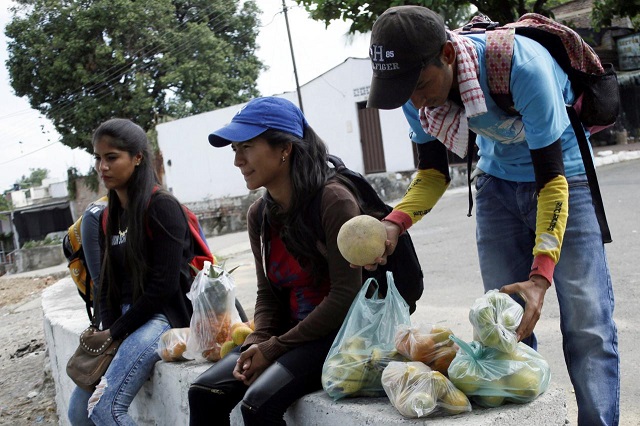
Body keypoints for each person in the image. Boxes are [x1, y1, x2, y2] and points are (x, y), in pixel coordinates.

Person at [366, 6, 619, 426]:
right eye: (401, 90)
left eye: (418, 84)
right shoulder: (415, 97)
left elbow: (550, 182)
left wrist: (540, 278)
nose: (414, 99)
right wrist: (393, 223)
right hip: (495, 185)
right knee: (500, 329)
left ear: (447, 54)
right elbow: (432, 175)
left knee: (588, 325)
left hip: (564, 178)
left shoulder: (522, 66)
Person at [188, 96, 364, 425]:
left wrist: (274, 348)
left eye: (247, 147)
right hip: (288, 336)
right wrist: (257, 342)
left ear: (284, 148)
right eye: (234, 150)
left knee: (257, 405)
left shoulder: (334, 201)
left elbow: (345, 295)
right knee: (203, 392)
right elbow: (268, 294)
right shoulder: (261, 214)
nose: (238, 160)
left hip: (339, 335)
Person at [67, 118, 195, 425]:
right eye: (98, 158)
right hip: (125, 321)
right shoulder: (110, 214)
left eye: (112, 157)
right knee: (78, 414)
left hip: (160, 318)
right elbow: (106, 282)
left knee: (105, 409)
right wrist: (109, 328)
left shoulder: (162, 207)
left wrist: (117, 330)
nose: (102, 167)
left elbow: (163, 288)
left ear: (137, 158)